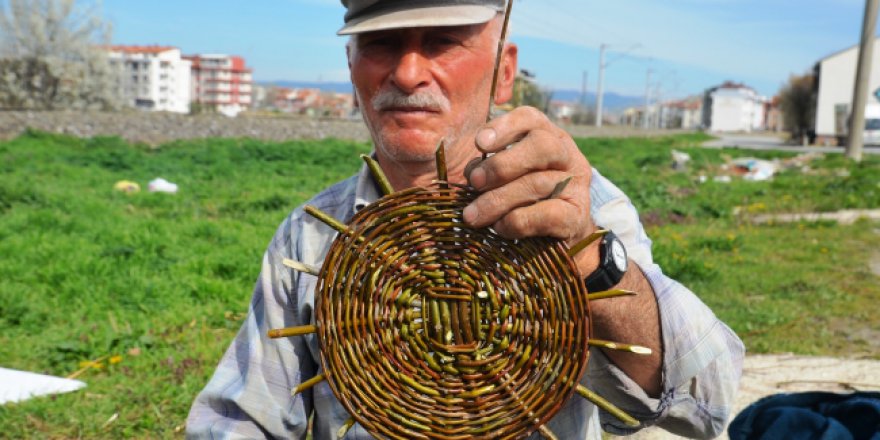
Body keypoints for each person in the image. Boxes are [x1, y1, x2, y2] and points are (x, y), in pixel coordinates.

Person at [186, 1, 745, 439]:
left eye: (442, 43)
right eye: (380, 43)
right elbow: (237, 421)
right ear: (351, 66)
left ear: (504, 71)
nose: (407, 73)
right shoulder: (312, 235)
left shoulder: (576, 205)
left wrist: (589, 259)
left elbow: (708, 402)